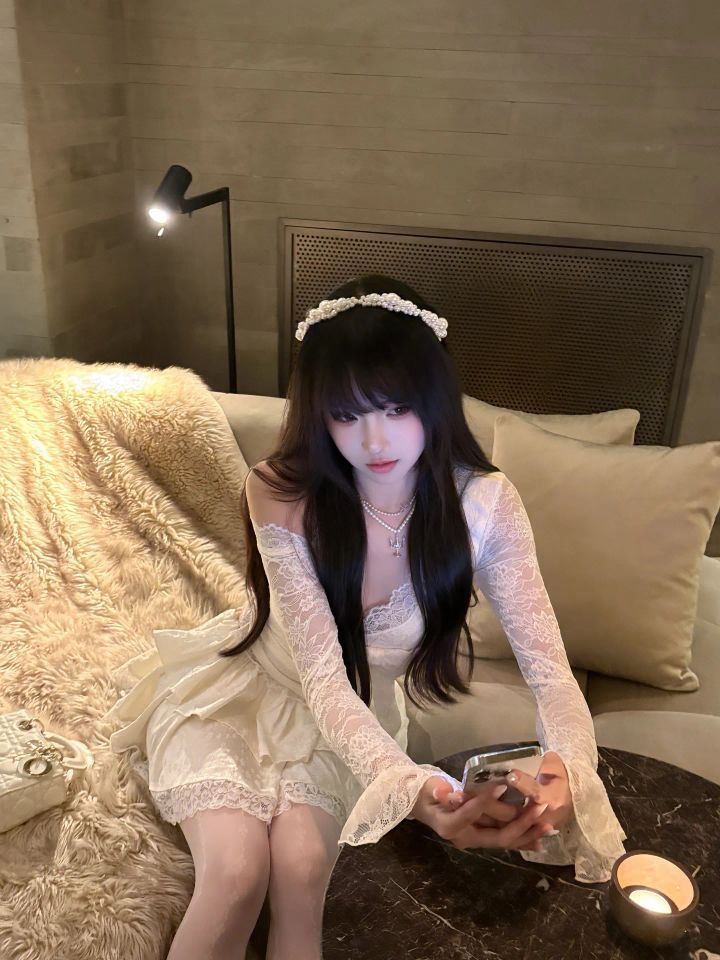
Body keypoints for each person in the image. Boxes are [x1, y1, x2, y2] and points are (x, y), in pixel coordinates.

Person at [106, 275, 626, 960]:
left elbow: (550, 672)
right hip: (240, 694)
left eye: (396, 407)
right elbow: (321, 676)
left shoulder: (486, 505)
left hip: (354, 718)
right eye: (346, 415)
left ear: (434, 399)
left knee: (300, 869)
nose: (374, 439)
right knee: (234, 873)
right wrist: (413, 789)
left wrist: (567, 767)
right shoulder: (280, 492)